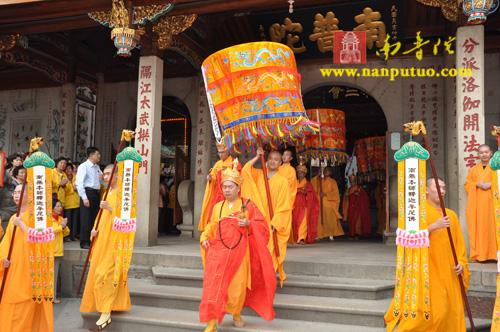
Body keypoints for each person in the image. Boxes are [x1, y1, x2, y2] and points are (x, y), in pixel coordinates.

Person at [199, 159, 276, 332]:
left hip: (240, 252)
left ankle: (236, 313)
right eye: (224, 186)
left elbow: (263, 227)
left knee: (238, 287)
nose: (227, 190)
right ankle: (211, 323)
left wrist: (249, 223)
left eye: (230, 187)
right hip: (219, 252)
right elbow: (211, 226)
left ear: (238, 188)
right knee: (213, 287)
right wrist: (205, 237)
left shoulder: (248, 205)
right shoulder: (218, 206)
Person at [385, 178, 470, 331]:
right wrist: (433, 227)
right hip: (428, 269)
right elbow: (409, 239)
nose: (442, 191)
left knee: (453, 312)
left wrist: (462, 262)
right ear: (426, 190)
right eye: (438, 188)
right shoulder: (417, 213)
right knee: (435, 313)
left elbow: (459, 245)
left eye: (444, 188)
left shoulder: (451, 215)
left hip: (449, 270)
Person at [80, 164, 130, 331]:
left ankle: (105, 313)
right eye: (105, 174)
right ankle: (113, 304)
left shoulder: (124, 193)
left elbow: (128, 218)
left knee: (105, 274)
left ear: (117, 175)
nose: (106, 177)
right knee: (101, 273)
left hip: (115, 240)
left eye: (109, 174)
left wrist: (110, 208)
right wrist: (94, 231)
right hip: (102, 238)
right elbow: (102, 217)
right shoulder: (108, 192)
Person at [0, 184, 53, 332]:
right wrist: (4, 259)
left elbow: (44, 239)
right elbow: (6, 243)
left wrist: (22, 225)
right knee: (9, 304)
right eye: (14, 193)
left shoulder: (38, 216)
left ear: (30, 195)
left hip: (30, 268)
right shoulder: (13, 218)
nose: (16, 195)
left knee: (24, 308)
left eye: (20, 192)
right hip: (14, 268)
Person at [241, 148, 291, 286]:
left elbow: (284, 205)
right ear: (267, 160)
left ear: (280, 162)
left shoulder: (282, 181)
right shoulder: (259, 174)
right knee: (256, 250)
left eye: (276, 159)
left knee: (269, 252)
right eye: (270, 159)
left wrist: (276, 223)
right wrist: (257, 157)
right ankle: (257, 279)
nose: (273, 161)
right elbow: (245, 171)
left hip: (272, 222)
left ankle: (266, 279)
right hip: (258, 220)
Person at [464, 144, 497, 262]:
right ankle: (481, 255)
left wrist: (492, 185)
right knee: (480, 229)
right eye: (481, 152)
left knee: (494, 228)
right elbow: (467, 185)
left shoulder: (496, 167)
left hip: (493, 205)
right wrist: (475, 184)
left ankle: (495, 254)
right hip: (478, 206)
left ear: (491, 153)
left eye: (486, 152)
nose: (484, 154)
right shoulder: (473, 169)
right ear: (478, 154)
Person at [198, 142, 240, 231]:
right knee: (214, 214)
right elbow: (213, 176)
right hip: (217, 193)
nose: (220, 155)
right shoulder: (217, 164)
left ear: (228, 151)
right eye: (219, 152)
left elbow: (239, 178)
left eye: (223, 152)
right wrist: (210, 178)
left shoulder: (234, 162)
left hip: (229, 192)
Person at [75, 147, 102, 249]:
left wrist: (103, 178)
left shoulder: (97, 167)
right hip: (88, 193)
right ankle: (85, 241)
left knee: (95, 218)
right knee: (86, 218)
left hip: (96, 193)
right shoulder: (84, 166)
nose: (99, 156)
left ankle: (92, 240)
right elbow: (79, 183)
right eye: (97, 154)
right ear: (91, 155)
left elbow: (101, 179)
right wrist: (84, 198)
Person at [311, 166, 344, 242]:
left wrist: (326, 194)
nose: (326, 172)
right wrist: (317, 175)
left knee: (330, 219)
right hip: (320, 202)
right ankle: (318, 235)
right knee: (319, 219)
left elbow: (335, 193)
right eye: (325, 170)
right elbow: (313, 186)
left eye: (328, 170)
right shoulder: (320, 180)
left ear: (331, 173)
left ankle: (331, 235)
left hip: (329, 203)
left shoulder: (333, 182)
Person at [292, 163, 319, 244]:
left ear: (305, 174)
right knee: (296, 221)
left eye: (302, 173)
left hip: (304, 205)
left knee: (303, 221)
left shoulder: (307, 183)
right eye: (299, 172)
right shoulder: (294, 183)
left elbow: (312, 194)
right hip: (296, 205)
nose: (300, 174)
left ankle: (302, 237)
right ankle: (297, 237)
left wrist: (306, 192)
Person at [51, 199, 69, 303]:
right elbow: (49, 231)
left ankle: (53, 297)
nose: (59, 208)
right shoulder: (47, 219)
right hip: (49, 250)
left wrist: (64, 227)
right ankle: (48, 296)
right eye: (57, 206)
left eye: (60, 206)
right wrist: (60, 227)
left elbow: (66, 233)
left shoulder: (61, 218)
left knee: (55, 275)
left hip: (58, 250)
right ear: (52, 208)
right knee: (48, 275)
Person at [343, 174, 371, 240]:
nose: (352, 183)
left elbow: (366, 198)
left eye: (353, 181)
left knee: (357, 221)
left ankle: (357, 234)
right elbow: (345, 199)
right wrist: (346, 196)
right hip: (350, 208)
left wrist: (359, 194)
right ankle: (352, 234)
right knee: (351, 221)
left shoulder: (359, 189)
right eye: (350, 181)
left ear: (355, 181)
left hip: (358, 208)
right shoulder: (348, 190)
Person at [278, 150, 297, 243]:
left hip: (286, 197)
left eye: (287, 155)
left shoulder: (291, 170)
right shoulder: (278, 168)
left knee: (285, 218)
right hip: (277, 196)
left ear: (291, 158)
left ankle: (284, 238)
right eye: (283, 154)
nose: (285, 156)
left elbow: (292, 184)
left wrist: (280, 182)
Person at [63, 163, 80, 242]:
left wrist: (77, 188)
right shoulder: (63, 178)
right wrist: (72, 190)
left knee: (75, 220)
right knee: (68, 220)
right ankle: (67, 236)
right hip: (68, 202)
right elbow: (64, 190)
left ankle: (74, 235)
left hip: (76, 201)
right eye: (66, 169)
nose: (68, 170)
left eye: (70, 168)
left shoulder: (77, 177)